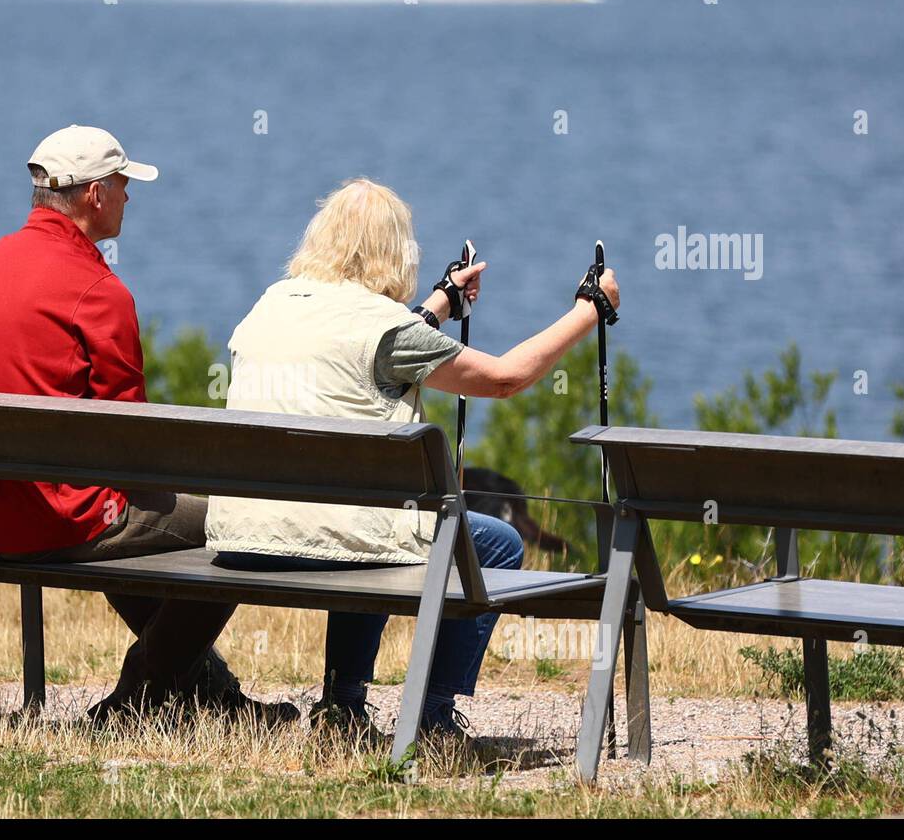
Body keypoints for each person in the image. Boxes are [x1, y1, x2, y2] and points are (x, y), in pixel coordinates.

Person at [206, 177, 620, 740]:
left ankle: (343, 703)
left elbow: (365, 345)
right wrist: (588, 311)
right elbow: (502, 379)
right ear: (394, 252)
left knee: (358, 518)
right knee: (493, 542)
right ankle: (433, 714)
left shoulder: (271, 305)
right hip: (331, 541)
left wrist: (438, 304)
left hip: (244, 536)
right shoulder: (387, 327)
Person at [0, 124, 296, 725]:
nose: (130, 195)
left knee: (135, 515)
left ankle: (212, 699)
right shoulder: (99, 291)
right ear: (94, 195)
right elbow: (132, 446)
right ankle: (140, 692)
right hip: (48, 520)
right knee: (243, 526)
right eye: (124, 183)